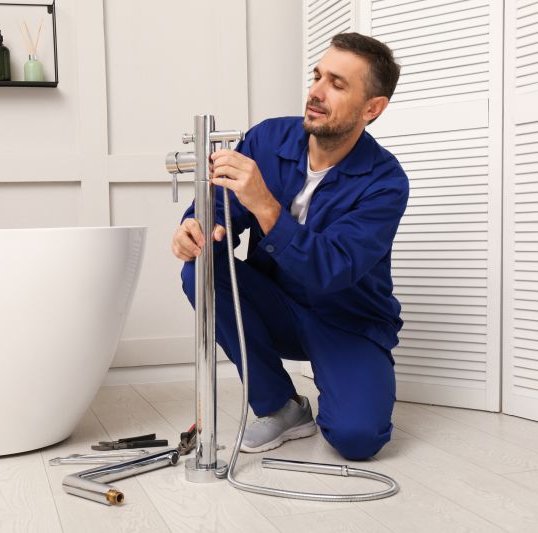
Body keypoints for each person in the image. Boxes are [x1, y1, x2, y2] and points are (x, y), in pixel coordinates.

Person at [172, 32, 408, 461]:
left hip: (347, 320)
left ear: (372, 108)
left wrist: (266, 205)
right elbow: (220, 207)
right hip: (277, 305)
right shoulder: (267, 140)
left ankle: (344, 382)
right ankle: (282, 406)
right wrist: (196, 227)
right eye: (317, 77)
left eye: (337, 84)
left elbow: (333, 268)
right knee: (201, 269)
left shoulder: (385, 182)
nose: (316, 92)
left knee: (358, 439)